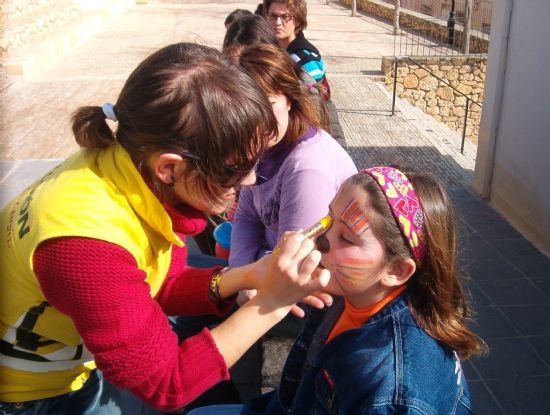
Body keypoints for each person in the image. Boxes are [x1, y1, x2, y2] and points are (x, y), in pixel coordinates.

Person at [0, 43, 332, 414]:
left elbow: (159, 283)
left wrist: (246, 276)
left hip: (65, 358)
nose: (251, 178)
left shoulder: (130, 169)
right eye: (233, 168)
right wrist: (273, 303)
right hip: (29, 393)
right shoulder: (86, 242)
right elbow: (167, 382)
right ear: (170, 168)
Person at [188, 167, 488, 415]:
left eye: (347, 237)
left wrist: (270, 302)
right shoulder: (346, 293)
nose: (321, 239)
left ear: (396, 271)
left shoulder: (393, 392)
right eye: (329, 218)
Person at [224, 44, 356, 306]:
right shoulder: (265, 146)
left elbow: (293, 263)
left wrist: (243, 280)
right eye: (248, 108)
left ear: (288, 99)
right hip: (266, 271)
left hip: (311, 295)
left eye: (268, 103)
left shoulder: (307, 166)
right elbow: (247, 217)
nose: (259, 120)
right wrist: (239, 275)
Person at [264, 0, 331, 100]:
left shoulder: (307, 60)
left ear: (298, 20)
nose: (278, 23)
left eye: (285, 17)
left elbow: (317, 102)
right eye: (273, 16)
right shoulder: (273, 48)